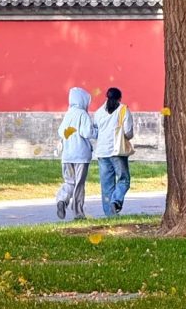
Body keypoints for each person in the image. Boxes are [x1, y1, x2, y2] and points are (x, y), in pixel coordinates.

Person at [55, 87, 97, 220]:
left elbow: (61, 132)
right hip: (81, 156)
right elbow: (86, 132)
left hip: (67, 156)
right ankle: (78, 213)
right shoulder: (83, 115)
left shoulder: (68, 114)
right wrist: (97, 131)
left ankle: (62, 200)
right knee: (79, 184)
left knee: (69, 181)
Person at [94, 87, 134, 216]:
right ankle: (116, 201)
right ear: (120, 98)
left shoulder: (98, 112)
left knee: (106, 185)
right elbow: (128, 132)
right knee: (124, 180)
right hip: (117, 151)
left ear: (106, 97)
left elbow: (96, 130)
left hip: (102, 152)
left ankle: (110, 215)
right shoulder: (123, 110)